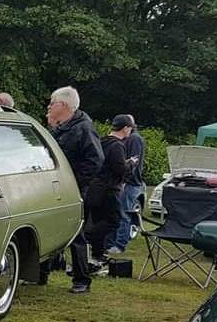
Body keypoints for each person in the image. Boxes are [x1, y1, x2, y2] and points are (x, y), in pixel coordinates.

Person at [46, 86, 104, 294]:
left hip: (74, 189)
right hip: (55, 187)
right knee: (48, 228)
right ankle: (41, 273)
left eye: (52, 103)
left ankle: (82, 279)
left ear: (63, 105)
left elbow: (96, 160)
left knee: (75, 233)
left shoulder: (83, 128)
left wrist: (75, 183)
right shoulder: (62, 128)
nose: (49, 107)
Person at [85, 115, 132, 265]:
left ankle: (98, 254)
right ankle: (88, 236)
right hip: (109, 189)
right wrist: (130, 164)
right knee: (113, 221)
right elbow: (119, 168)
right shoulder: (117, 145)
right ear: (125, 128)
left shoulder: (101, 141)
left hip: (95, 187)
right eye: (130, 128)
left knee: (99, 219)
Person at [107, 114, 145, 254]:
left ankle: (119, 245)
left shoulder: (134, 139)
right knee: (118, 212)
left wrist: (125, 180)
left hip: (130, 183)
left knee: (124, 213)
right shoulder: (126, 139)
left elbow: (134, 161)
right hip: (125, 181)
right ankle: (111, 243)